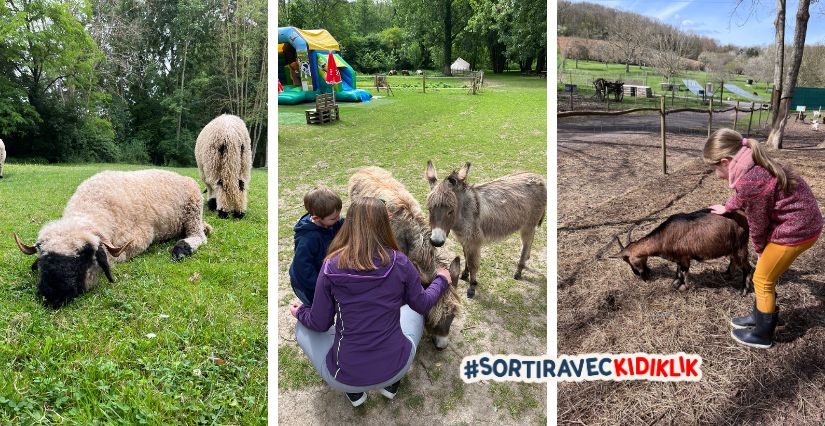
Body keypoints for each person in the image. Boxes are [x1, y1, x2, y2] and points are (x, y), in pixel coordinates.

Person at [289, 197, 452, 406]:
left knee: (303, 326)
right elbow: (421, 303)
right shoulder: (400, 262)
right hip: (397, 365)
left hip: (344, 375)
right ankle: (391, 383)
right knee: (416, 308)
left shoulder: (330, 265)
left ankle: (354, 393)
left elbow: (320, 322)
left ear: (349, 224)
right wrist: (441, 280)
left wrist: (300, 312)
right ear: (386, 224)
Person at [704, 128, 823, 349]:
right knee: (765, 275)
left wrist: (760, 251)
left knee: (762, 279)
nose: (714, 174)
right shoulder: (750, 162)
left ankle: (762, 334)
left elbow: (757, 225)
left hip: (797, 232)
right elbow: (746, 196)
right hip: (804, 223)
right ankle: (759, 315)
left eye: (713, 169)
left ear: (725, 161)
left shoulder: (750, 180)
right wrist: (728, 206)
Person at [289, 187, 345, 306]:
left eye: (339, 215)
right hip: (308, 286)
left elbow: (344, 224)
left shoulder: (329, 223)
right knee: (319, 307)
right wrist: (320, 288)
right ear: (316, 218)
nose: (338, 219)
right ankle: (303, 312)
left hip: (321, 273)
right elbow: (302, 268)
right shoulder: (308, 239)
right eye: (334, 218)